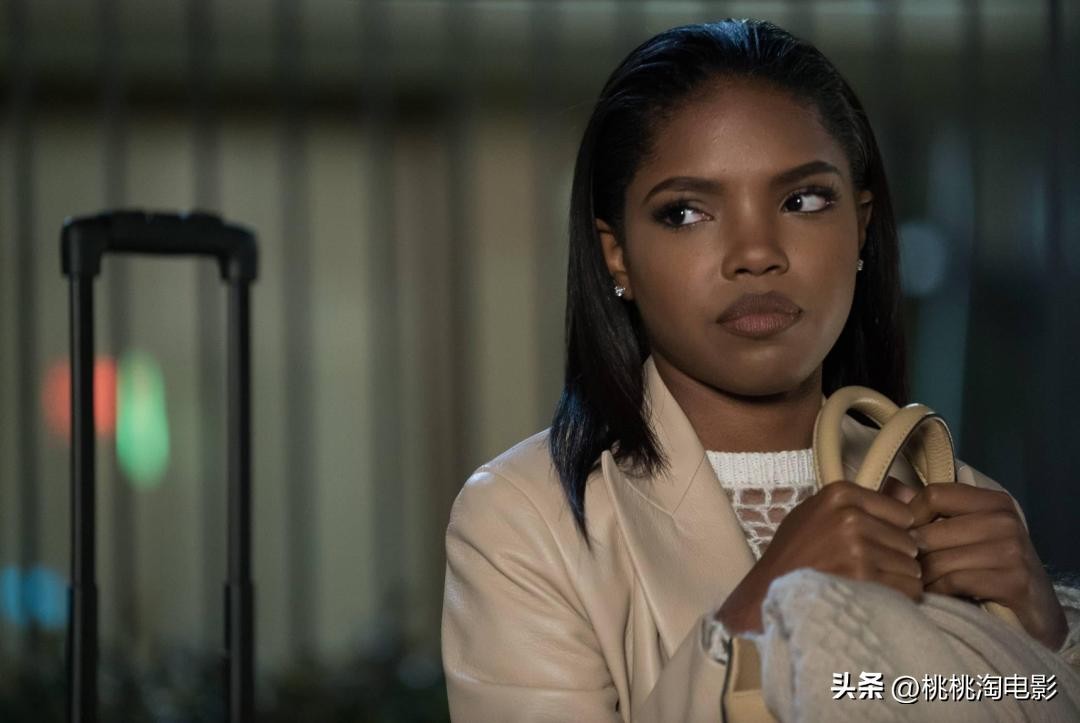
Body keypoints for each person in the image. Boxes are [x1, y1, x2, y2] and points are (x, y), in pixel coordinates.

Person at [441, 18, 1077, 721]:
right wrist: (763, 608)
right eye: (686, 212)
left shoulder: (959, 499)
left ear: (862, 228)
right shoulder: (524, 519)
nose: (755, 253)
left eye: (802, 201)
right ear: (617, 255)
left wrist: (1048, 639)